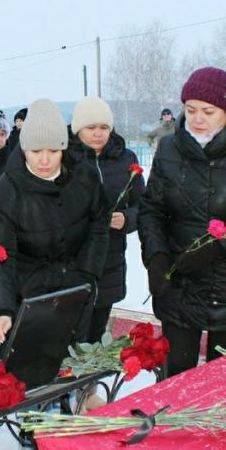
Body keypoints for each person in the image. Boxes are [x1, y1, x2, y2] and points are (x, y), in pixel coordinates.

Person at [138, 67, 226, 376]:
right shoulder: (168, 149)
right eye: (190, 109)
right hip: (180, 284)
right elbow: (152, 210)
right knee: (176, 377)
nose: (197, 118)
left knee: (223, 381)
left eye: (208, 111)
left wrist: (223, 246)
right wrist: (157, 255)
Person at [0, 99, 110, 347]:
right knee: (35, 370)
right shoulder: (6, 191)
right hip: (29, 294)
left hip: (76, 288)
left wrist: (87, 272)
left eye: (53, 151)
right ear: (23, 150)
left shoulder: (83, 177)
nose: (44, 160)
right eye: (35, 151)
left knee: (75, 362)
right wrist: (2, 309)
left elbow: (99, 223)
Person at [68, 95, 145, 341]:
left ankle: (90, 378)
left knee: (96, 332)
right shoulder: (65, 159)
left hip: (110, 260)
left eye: (104, 128)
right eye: (90, 128)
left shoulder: (125, 158)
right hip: (74, 260)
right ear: (78, 129)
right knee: (70, 331)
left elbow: (143, 205)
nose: (98, 134)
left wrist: (126, 218)